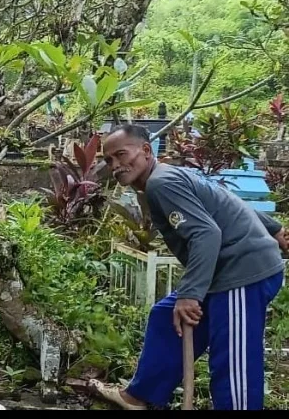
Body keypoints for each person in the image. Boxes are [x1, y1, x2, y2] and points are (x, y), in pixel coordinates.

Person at [94, 124, 289, 410]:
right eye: (109, 160)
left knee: (233, 360)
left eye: (122, 155)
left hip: (241, 272)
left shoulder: (162, 182)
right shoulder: (164, 177)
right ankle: (141, 396)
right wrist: (273, 227)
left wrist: (190, 295)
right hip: (220, 270)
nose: (116, 165)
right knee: (166, 318)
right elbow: (219, 198)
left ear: (146, 151)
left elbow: (206, 234)